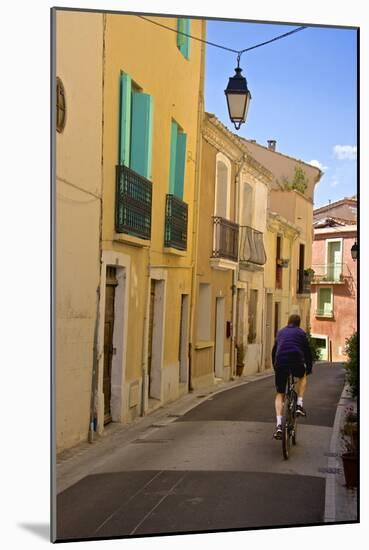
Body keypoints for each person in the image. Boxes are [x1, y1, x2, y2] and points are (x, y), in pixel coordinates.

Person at [271, 313, 313, 440]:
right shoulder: (301, 333)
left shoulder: (281, 332)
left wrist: (276, 367)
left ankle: (279, 425)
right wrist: (309, 368)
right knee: (303, 376)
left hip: (281, 362)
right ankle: (299, 404)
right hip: (296, 361)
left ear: (288, 322)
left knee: (280, 393)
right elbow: (307, 353)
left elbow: (274, 351)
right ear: (299, 323)